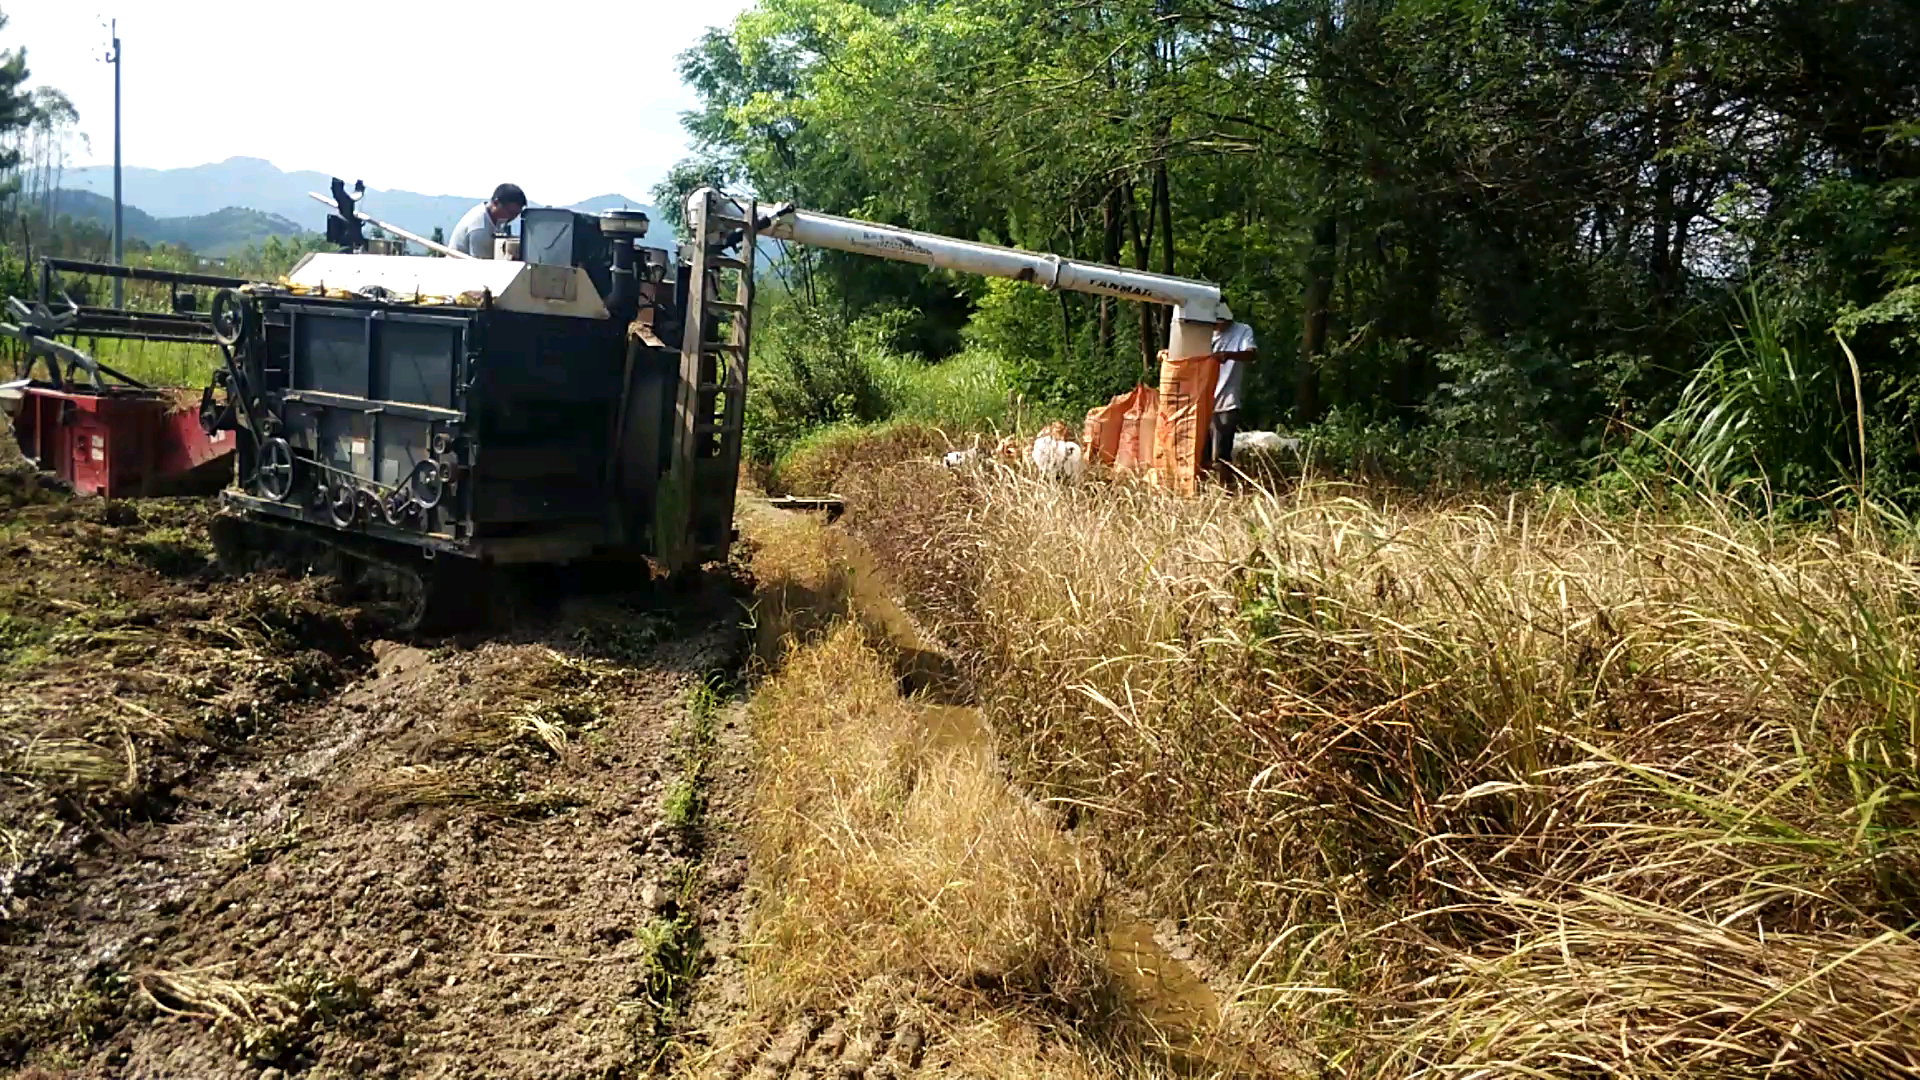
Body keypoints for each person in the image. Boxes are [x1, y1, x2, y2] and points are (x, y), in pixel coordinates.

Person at [1206, 310, 1256, 472]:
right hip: (1201, 403)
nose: (1219, 326)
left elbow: (1251, 354)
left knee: (1221, 456)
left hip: (1226, 401)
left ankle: (1225, 491)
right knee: (1200, 455)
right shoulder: (1200, 331)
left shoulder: (1242, 331)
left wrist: (1229, 355)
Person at [449, 183, 528, 258]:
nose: (512, 217)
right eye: (510, 212)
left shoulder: (496, 220)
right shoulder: (480, 227)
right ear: (495, 203)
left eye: (516, 214)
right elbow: (483, 266)